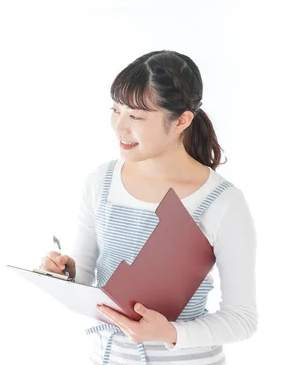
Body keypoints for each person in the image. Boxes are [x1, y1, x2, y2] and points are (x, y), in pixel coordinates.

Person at [40, 50, 257, 365]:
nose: (120, 127)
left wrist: (170, 332)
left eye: (136, 117)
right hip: (105, 357)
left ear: (181, 120)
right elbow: (87, 279)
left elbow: (242, 319)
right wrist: (65, 274)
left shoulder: (222, 202)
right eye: (116, 110)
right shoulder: (100, 182)